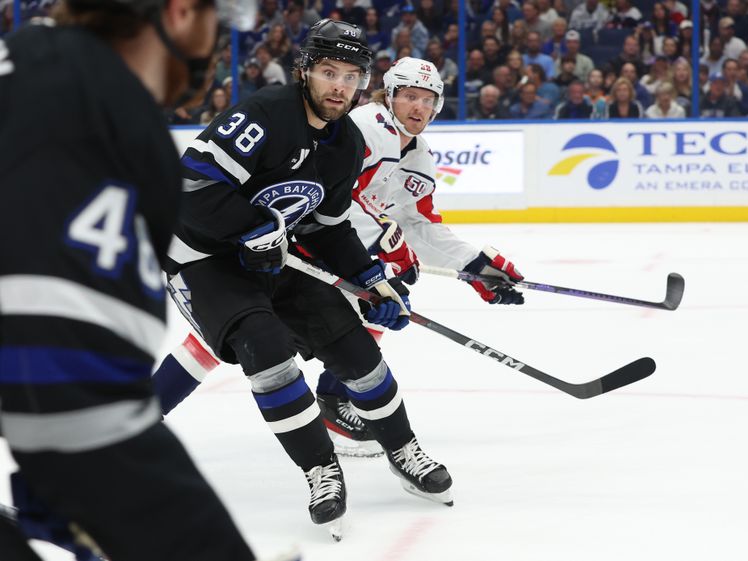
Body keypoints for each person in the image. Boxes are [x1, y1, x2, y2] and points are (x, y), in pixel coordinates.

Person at [0, 1, 293, 561]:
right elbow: (74, 401)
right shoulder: (102, 112)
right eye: (220, 22)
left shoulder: (34, 63)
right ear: (182, 11)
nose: (217, 45)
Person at [155, 20, 454, 538]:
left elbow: (330, 226)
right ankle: (321, 468)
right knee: (265, 346)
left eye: (351, 76)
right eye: (328, 72)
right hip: (203, 257)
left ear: (363, 83)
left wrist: (369, 278)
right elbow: (190, 186)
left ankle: (401, 447)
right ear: (305, 72)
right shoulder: (266, 114)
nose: (339, 86)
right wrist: (252, 230)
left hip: (278, 255)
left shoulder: (346, 143)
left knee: (354, 346)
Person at [152, 57, 526, 463]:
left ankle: (333, 399)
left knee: (372, 307)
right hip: (298, 244)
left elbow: (420, 222)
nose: (418, 108)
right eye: (410, 97)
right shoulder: (363, 127)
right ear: (390, 94)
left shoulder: (418, 152)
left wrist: (473, 265)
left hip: (329, 246)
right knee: (228, 337)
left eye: (427, 100)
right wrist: (385, 241)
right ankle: (331, 402)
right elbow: (335, 207)